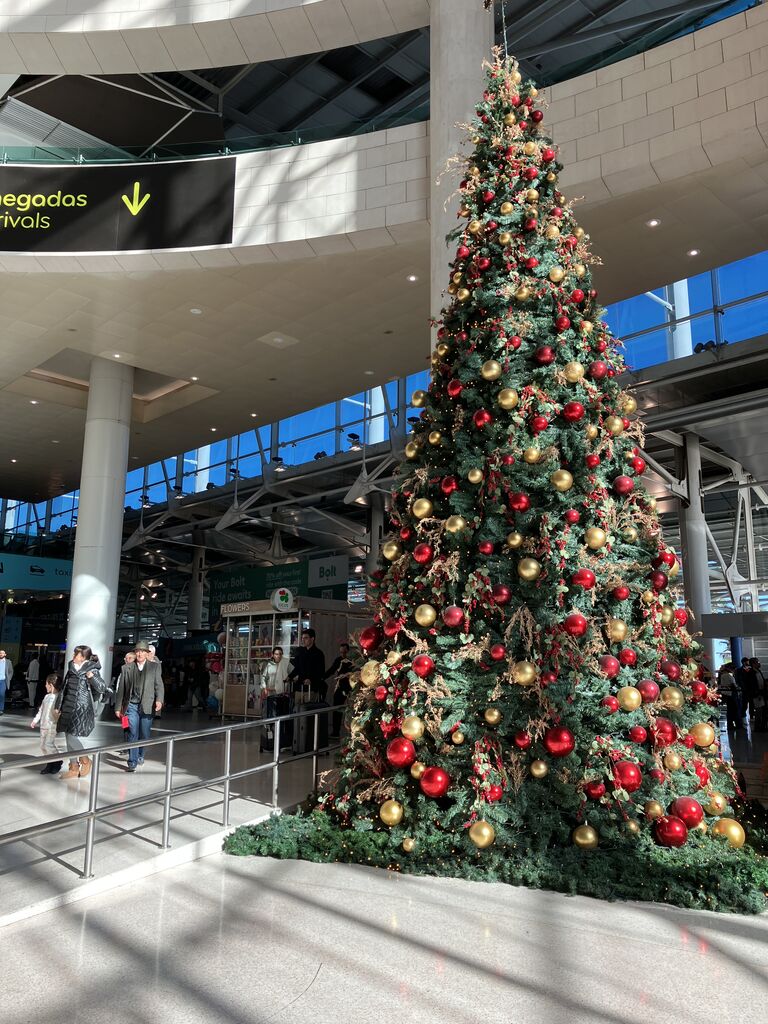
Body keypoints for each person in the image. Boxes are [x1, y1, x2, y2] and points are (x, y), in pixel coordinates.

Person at [55, 645, 106, 779]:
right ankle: (73, 767)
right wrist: (58, 705)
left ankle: (85, 760)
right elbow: (64, 688)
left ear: (83, 657)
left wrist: (92, 677)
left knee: (71, 737)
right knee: (67, 736)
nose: (73, 656)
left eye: (76, 654)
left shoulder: (92, 670)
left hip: (81, 708)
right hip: (68, 705)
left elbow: (102, 687)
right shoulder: (71, 668)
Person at [114, 641, 164, 772]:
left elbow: (159, 685)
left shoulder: (154, 667)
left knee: (145, 733)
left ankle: (141, 754)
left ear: (147, 653)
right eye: (138, 651)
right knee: (132, 731)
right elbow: (122, 689)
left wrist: (159, 700)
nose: (140, 654)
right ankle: (132, 761)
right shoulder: (126, 668)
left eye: (142, 651)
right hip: (131, 705)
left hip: (147, 704)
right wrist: (118, 707)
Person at [31, 674, 63, 774]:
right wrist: (35, 720)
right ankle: (50, 763)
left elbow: (58, 713)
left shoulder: (58, 698)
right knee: (43, 746)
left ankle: (57, 761)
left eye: (46, 684)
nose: (45, 686)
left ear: (51, 685)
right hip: (43, 725)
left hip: (52, 725)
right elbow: (41, 710)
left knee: (49, 744)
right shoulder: (46, 697)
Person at [325, 641, 354, 737]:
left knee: (353, 709)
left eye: (344, 652)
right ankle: (335, 731)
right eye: (341, 652)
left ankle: (353, 731)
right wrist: (322, 677)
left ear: (348, 651)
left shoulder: (353, 660)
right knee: (337, 709)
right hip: (340, 687)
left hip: (351, 687)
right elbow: (332, 670)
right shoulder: (338, 660)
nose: (343, 654)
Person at [287, 629, 326, 701]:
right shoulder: (301, 652)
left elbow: (321, 672)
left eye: (306, 638)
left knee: (308, 707)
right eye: (302, 638)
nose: (303, 640)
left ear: (312, 639)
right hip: (299, 687)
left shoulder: (318, 653)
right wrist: (290, 676)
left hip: (311, 688)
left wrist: (311, 680)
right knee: (297, 707)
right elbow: (297, 668)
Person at [718, 662, 739, 734]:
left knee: (730, 710)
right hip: (731, 694)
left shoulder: (722, 675)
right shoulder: (728, 676)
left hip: (727, 694)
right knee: (733, 709)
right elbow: (733, 685)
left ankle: (730, 725)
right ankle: (732, 725)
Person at [736, 656, 757, 726]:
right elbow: (738, 679)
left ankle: (751, 717)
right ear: (743, 662)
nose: (747, 663)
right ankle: (743, 718)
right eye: (745, 662)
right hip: (744, 690)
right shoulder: (739, 670)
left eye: (747, 662)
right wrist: (741, 687)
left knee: (752, 704)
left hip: (751, 690)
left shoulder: (751, 669)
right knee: (744, 704)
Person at [750, 657, 767, 731]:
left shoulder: (758, 671)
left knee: (762, 710)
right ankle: (757, 727)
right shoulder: (751, 673)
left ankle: (762, 726)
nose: (759, 663)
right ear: (753, 664)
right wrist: (756, 692)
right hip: (757, 694)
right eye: (757, 662)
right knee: (758, 711)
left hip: (762, 693)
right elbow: (752, 684)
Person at [0, 649, 14, 716]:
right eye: (0, 653)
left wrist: (9, 679)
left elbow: (11, 671)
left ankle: (1, 709)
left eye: (2, 653)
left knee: (2, 694)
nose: (1, 654)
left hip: (3, 681)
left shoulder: (8, 662)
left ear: (5, 654)